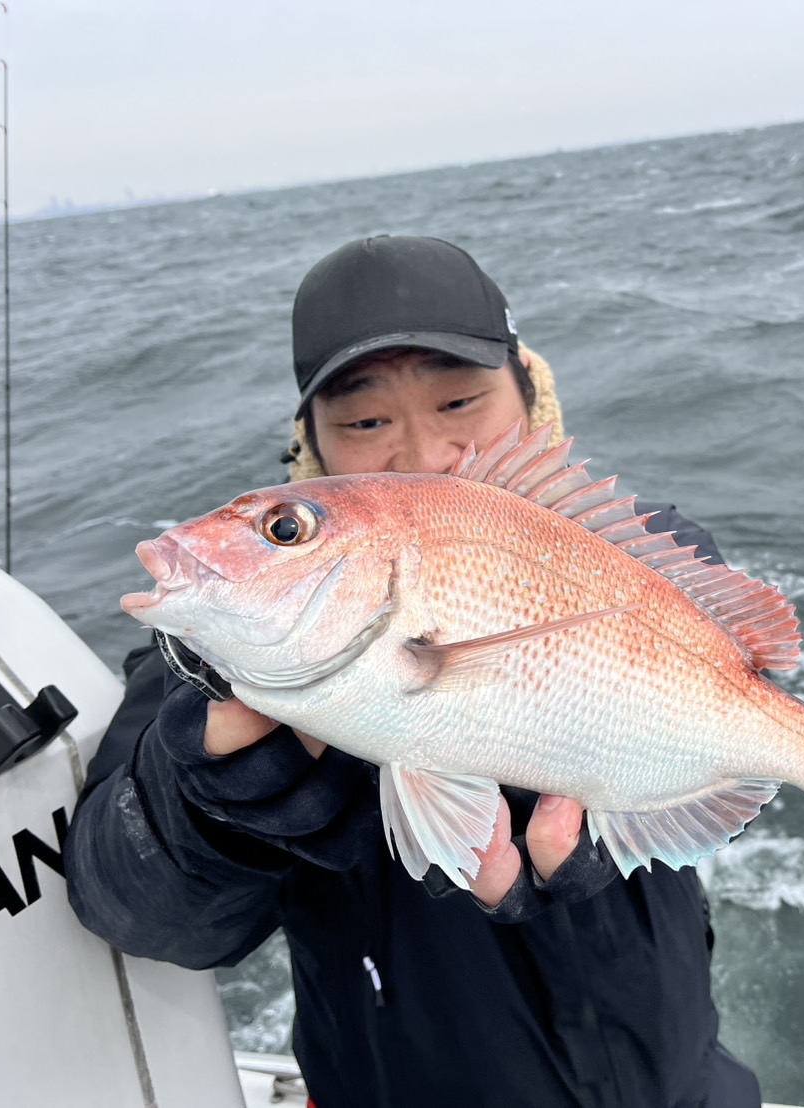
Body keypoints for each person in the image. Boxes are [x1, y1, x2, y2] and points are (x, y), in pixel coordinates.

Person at [64, 235, 762, 1108]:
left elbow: (734, 757)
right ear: (312, 446)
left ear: (531, 396)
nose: (424, 454)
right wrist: (215, 806)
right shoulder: (226, 646)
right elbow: (127, 908)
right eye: (364, 423)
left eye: (459, 400)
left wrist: (640, 794)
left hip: (683, 1084)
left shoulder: (655, 561)